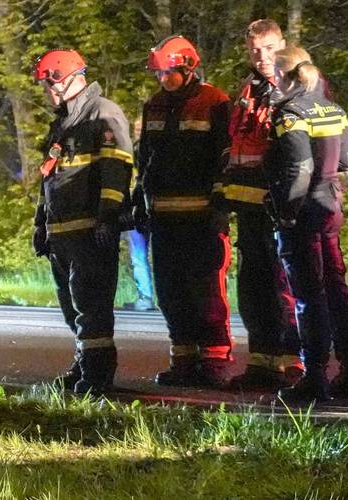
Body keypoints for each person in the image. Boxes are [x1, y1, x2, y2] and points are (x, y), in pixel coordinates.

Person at [266, 47, 348, 404]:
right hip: (331, 207)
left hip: (304, 212)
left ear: (285, 75)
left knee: (309, 295)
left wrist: (287, 212)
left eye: (276, 75)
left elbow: (298, 169)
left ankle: (315, 376)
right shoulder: (333, 108)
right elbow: (347, 161)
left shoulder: (290, 112)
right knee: (337, 287)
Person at [31, 49, 133, 394]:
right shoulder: (63, 122)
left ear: (75, 77)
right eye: (46, 84)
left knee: (92, 308)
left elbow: (116, 169)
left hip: (90, 231)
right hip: (61, 232)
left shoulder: (104, 114)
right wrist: (40, 224)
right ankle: (83, 363)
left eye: (53, 82)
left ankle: (98, 374)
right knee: (72, 309)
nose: (49, 90)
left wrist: (107, 218)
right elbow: (50, 179)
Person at [135, 36, 235, 388]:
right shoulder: (155, 105)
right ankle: (184, 357)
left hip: (202, 215)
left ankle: (215, 358)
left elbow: (225, 156)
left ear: (187, 67)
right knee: (170, 290)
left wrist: (220, 205)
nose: (162, 79)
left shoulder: (215, 102)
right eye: (159, 73)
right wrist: (139, 197)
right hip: (163, 215)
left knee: (205, 288)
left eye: (168, 73)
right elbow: (145, 156)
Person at [220, 19, 304, 390]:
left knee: (282, 285)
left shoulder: (294, 86)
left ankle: (293, 362)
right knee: (254, 288)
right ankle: (262, 363)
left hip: (278, 205)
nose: (263, 56)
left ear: (282, 45)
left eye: (269, 48)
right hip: (248, 204)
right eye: (255, 50)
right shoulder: (249, 88)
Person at [125, 118, 156, 312]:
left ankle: (147, 297)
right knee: (140, 254)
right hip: (141, 206)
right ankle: (146, 297)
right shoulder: (154, 150)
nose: (138, 131)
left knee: (141, 254)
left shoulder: (139, 151)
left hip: (143, 207)